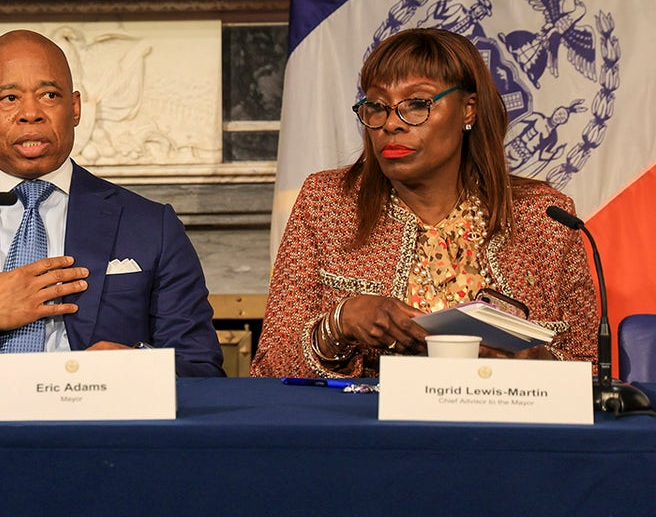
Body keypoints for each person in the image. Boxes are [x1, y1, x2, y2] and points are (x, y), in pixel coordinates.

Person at [0, 29, 223, 377]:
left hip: (98, 431)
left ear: (75, 108)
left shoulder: (150, 226)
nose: (30, 112)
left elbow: (201, 367)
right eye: (9, 98)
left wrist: (132, 368)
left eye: (49, 95)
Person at [251, 28, 597, 378]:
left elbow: (591, 372)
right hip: (369, 429)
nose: (391, 124)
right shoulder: (326, 203)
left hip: (504, 426)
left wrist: (538, 365)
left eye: (417, 104)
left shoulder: (544, 215)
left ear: (468, 110)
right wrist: (339, 324)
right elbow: (269, 368)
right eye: (377, 106)